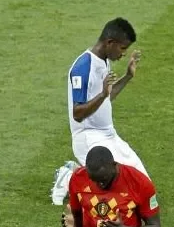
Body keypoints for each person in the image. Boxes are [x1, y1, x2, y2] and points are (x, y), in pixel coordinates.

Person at [50, 17, 149, 205]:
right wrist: (103, 94)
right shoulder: (83, 67)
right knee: (124, 194)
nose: (122, 55)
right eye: (122, 48)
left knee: (143, 187)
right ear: (110, 43)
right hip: (88, 138)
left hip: (109, 136)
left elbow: (105, 99)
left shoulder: (103, 61)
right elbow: (78, 114)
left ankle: (76, 173)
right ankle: (70, 178)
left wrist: (127, 77)